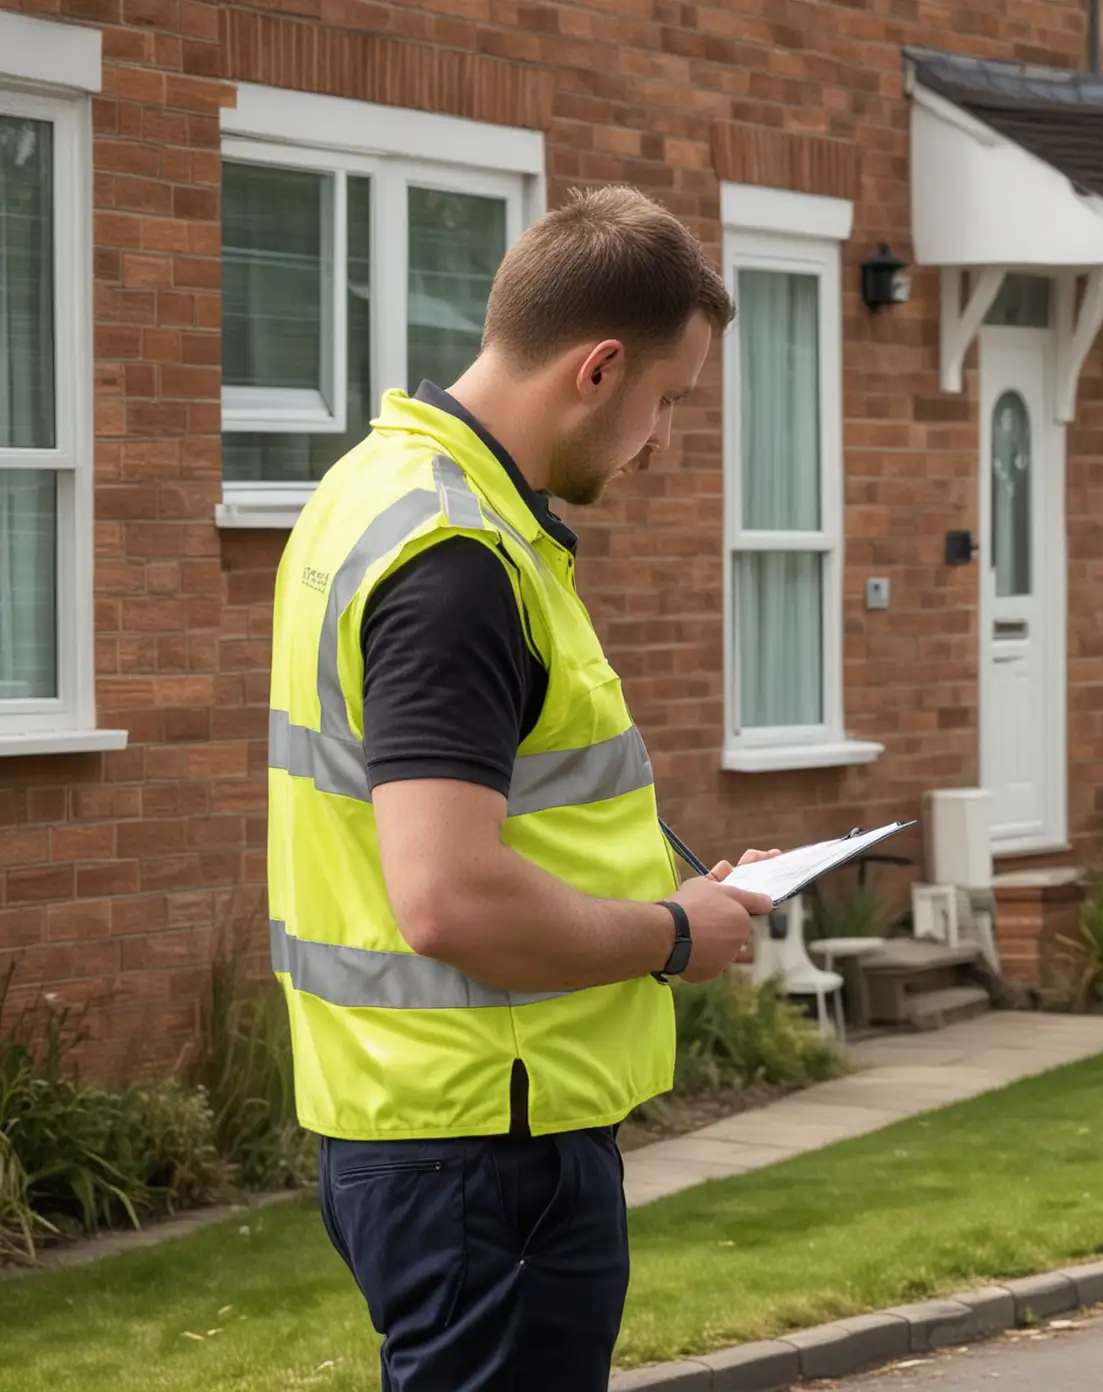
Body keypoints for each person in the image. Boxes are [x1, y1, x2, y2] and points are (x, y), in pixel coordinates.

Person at [265, 183, 777, 1390]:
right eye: (667, 404)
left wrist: (687, 884)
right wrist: (667, 937)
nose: (666, 443)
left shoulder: (382, 490)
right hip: (485, 1148)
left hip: (426, 1129)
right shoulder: (459, 562)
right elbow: (448, 896)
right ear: (598, 369)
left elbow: (520, 806)